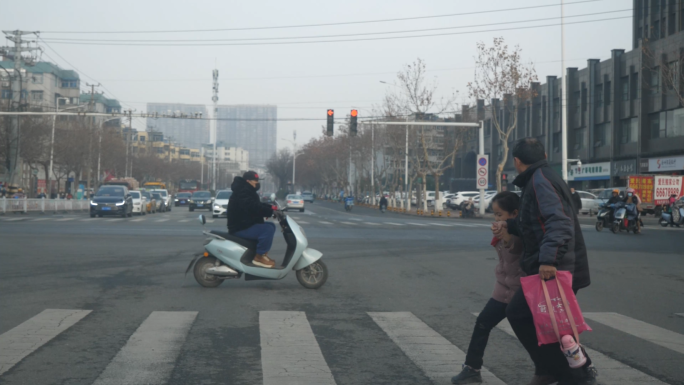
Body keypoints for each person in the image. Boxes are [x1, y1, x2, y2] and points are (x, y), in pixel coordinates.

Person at [492, 138, 595, 385]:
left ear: (516, 161)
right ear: (544, 155)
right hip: (559, 264)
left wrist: (548, 260)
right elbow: (533, 221)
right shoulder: (541, 177)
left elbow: (558, 222)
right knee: (549, 322)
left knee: (520, 314)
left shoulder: (540, 182)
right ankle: (560, 370)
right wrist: (509, 225)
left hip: (555, 268)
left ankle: (574, 374)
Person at [451, 192, 524, 384]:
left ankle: (574, 365)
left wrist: (505, 233)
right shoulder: (501, 231)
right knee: (483, 322)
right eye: (495, 215)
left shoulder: (524, 231)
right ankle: (472, 369)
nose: (496, 219)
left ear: (514, 213)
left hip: (521, 293)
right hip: (503, 288)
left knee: (534, 334)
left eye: (500, 215)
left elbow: (514, 246)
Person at [227, 171, 277, 268]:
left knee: (271, 226)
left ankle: (263, 255)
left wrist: (271, 208)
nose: (257, 183)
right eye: (255, 181)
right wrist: (269, 212)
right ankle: (259, 257)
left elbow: (256, 205)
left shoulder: (247, 190)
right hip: (240, 227)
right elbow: (252, 207)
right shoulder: (242, 192)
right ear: (248, 181)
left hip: (246, 224)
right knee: (267, 230)